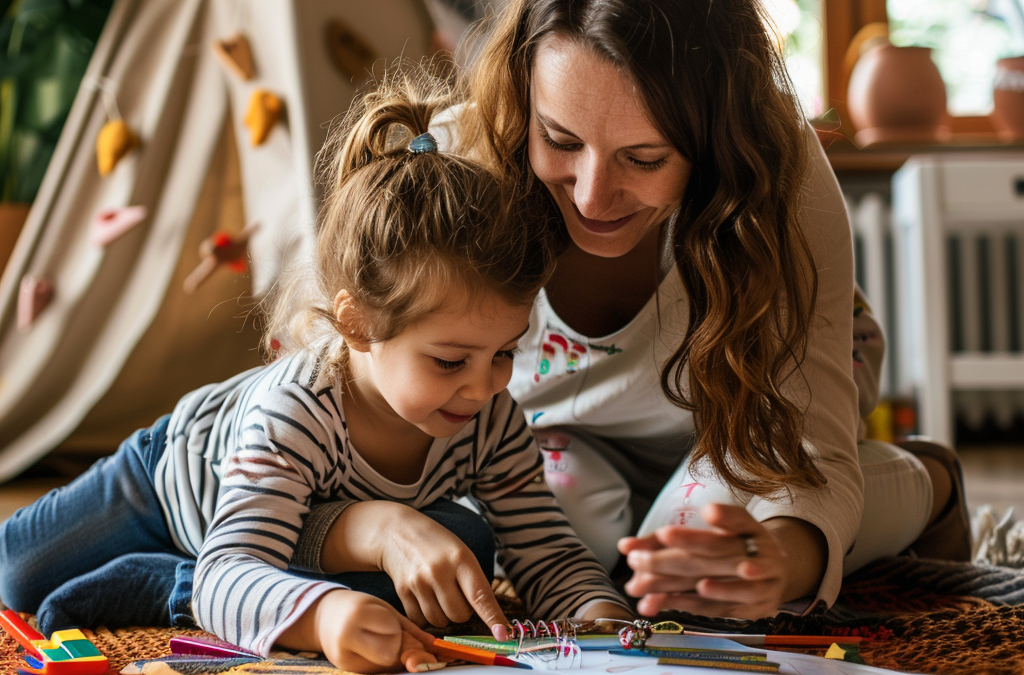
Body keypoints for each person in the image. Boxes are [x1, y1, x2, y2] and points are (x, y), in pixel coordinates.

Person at [296, 0, 971, 623]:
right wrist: (375, 522)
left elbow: (806, 443)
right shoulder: (451, 175)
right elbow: (330, 406)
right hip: (557, 445)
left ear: (713, 139)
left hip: (747, 425)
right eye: (560, 141)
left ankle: (927, 483)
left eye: (644, 157)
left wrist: (781, 558)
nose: (593, 196)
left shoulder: (775, 176)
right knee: (553, 526)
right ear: (524, 100)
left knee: (711, 550)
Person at [0, 68, 631, 672]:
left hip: (299, 529)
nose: (485, 386)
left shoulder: (491, 418)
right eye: (448, 360)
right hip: (172, 481)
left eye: (504, 353)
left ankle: (219, 575)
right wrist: (322, 613)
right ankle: (170, 580)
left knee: (458, 559)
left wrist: (599, 613)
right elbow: (235, 569)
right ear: (358, 326)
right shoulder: (296, 412)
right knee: (16, 574)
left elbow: (545, 548)